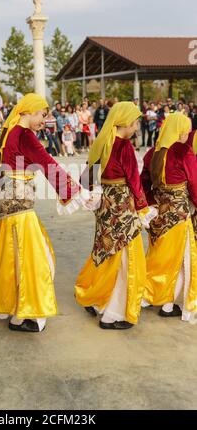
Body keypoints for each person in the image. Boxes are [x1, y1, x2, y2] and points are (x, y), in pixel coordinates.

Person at [0, 93, 83, 333]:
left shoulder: (9, 131)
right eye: (42, 114)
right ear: (28, 111)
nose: (45, 119)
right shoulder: (25, 135)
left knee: (12, 255)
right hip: (19, 204)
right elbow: (46, 161)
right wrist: (75, 190)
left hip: (7, 204)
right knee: (32, 257)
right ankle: (25, 312)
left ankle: (14, 310)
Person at [75, 102, 149, 330]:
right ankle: (113, 312)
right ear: (125, 121)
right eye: (135, 122)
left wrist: (95, 193)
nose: (137, 127)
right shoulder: (124, 147)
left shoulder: (101, 143)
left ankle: (93, 296)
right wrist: (144, 207)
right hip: (124, 208)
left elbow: (85, 178)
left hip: (106, 207)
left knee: (105, 250)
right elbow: (134, 183)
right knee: (128, 259)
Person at [141, 114, 197, 321]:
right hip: (179, 214)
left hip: (158, 214)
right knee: (180, 261)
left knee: (159, 258)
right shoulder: (183, 152)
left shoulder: (152, 153)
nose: (188, 133)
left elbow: (143, 182)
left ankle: (163, 301)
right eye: (186, 129)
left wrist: (150, 204)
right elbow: (194, 186)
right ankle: (151, 297)